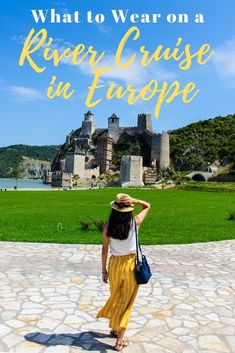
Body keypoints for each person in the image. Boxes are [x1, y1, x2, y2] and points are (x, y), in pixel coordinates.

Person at [96, 193, 151, 351]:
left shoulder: (107, 227)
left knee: (116, 297)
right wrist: (135, 200)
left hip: (114, 265)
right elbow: (148, 206)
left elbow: (104, 250)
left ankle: (115, 328)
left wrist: (103, 270)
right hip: (130, 265)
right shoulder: (135, 223)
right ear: (128, 210)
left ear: (114, 210)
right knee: (126, 302)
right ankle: (120, 340)